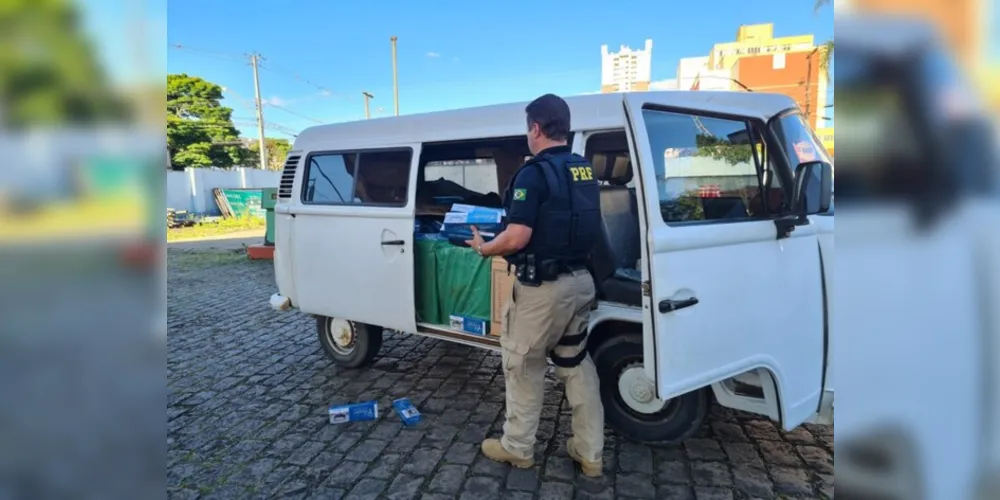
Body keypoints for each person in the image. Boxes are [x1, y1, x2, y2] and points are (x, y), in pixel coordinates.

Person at [464, 93, 605, 477]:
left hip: (543, 291)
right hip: (580, 283)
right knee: (575, 365)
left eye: (528, 127)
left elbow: (517, 237)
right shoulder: (584, 170)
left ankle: (518, 447)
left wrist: (483, 248)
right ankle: (590, 452)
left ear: (536, 128)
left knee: (523, 366)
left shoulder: (533, 173)